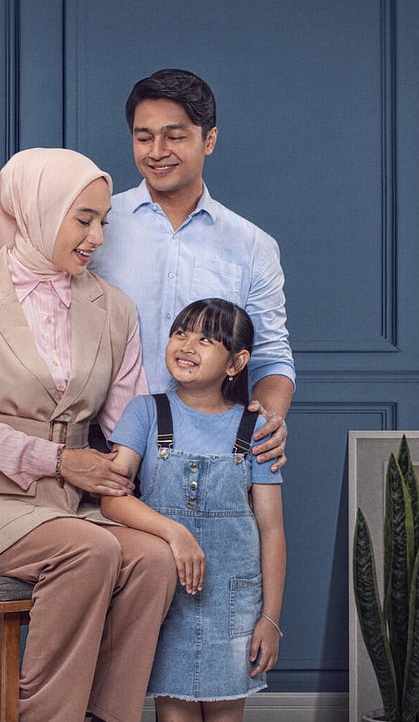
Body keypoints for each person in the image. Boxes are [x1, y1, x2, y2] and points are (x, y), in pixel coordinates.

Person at [0, 147, 174, 722]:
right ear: (35, 212)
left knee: (151, 559)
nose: (96, 238)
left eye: (103, 225)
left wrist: (121, 464)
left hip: (71, 504)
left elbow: (130, 419)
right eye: (83, 221)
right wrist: (62, 460)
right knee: (89, 546)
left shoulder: (114, 309)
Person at [98, 297, 286, 722]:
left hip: (234, 607)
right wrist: (174, 533)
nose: (187, 344)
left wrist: (270, 617)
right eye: (182, 332)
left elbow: (271, 529)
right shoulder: (146, 412)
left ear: (236, 364)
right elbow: (112, 497)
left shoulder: (256, 429)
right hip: (168, 603)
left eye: (206, 339)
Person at [89, 68, 293, 471]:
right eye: (143, 137)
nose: (156, 151)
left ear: (210, 139)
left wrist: (266, 422)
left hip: (212, 452)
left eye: (175, 136)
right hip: (103, 444)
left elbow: (270, 356)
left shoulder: (253, 246)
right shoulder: (98, 224)